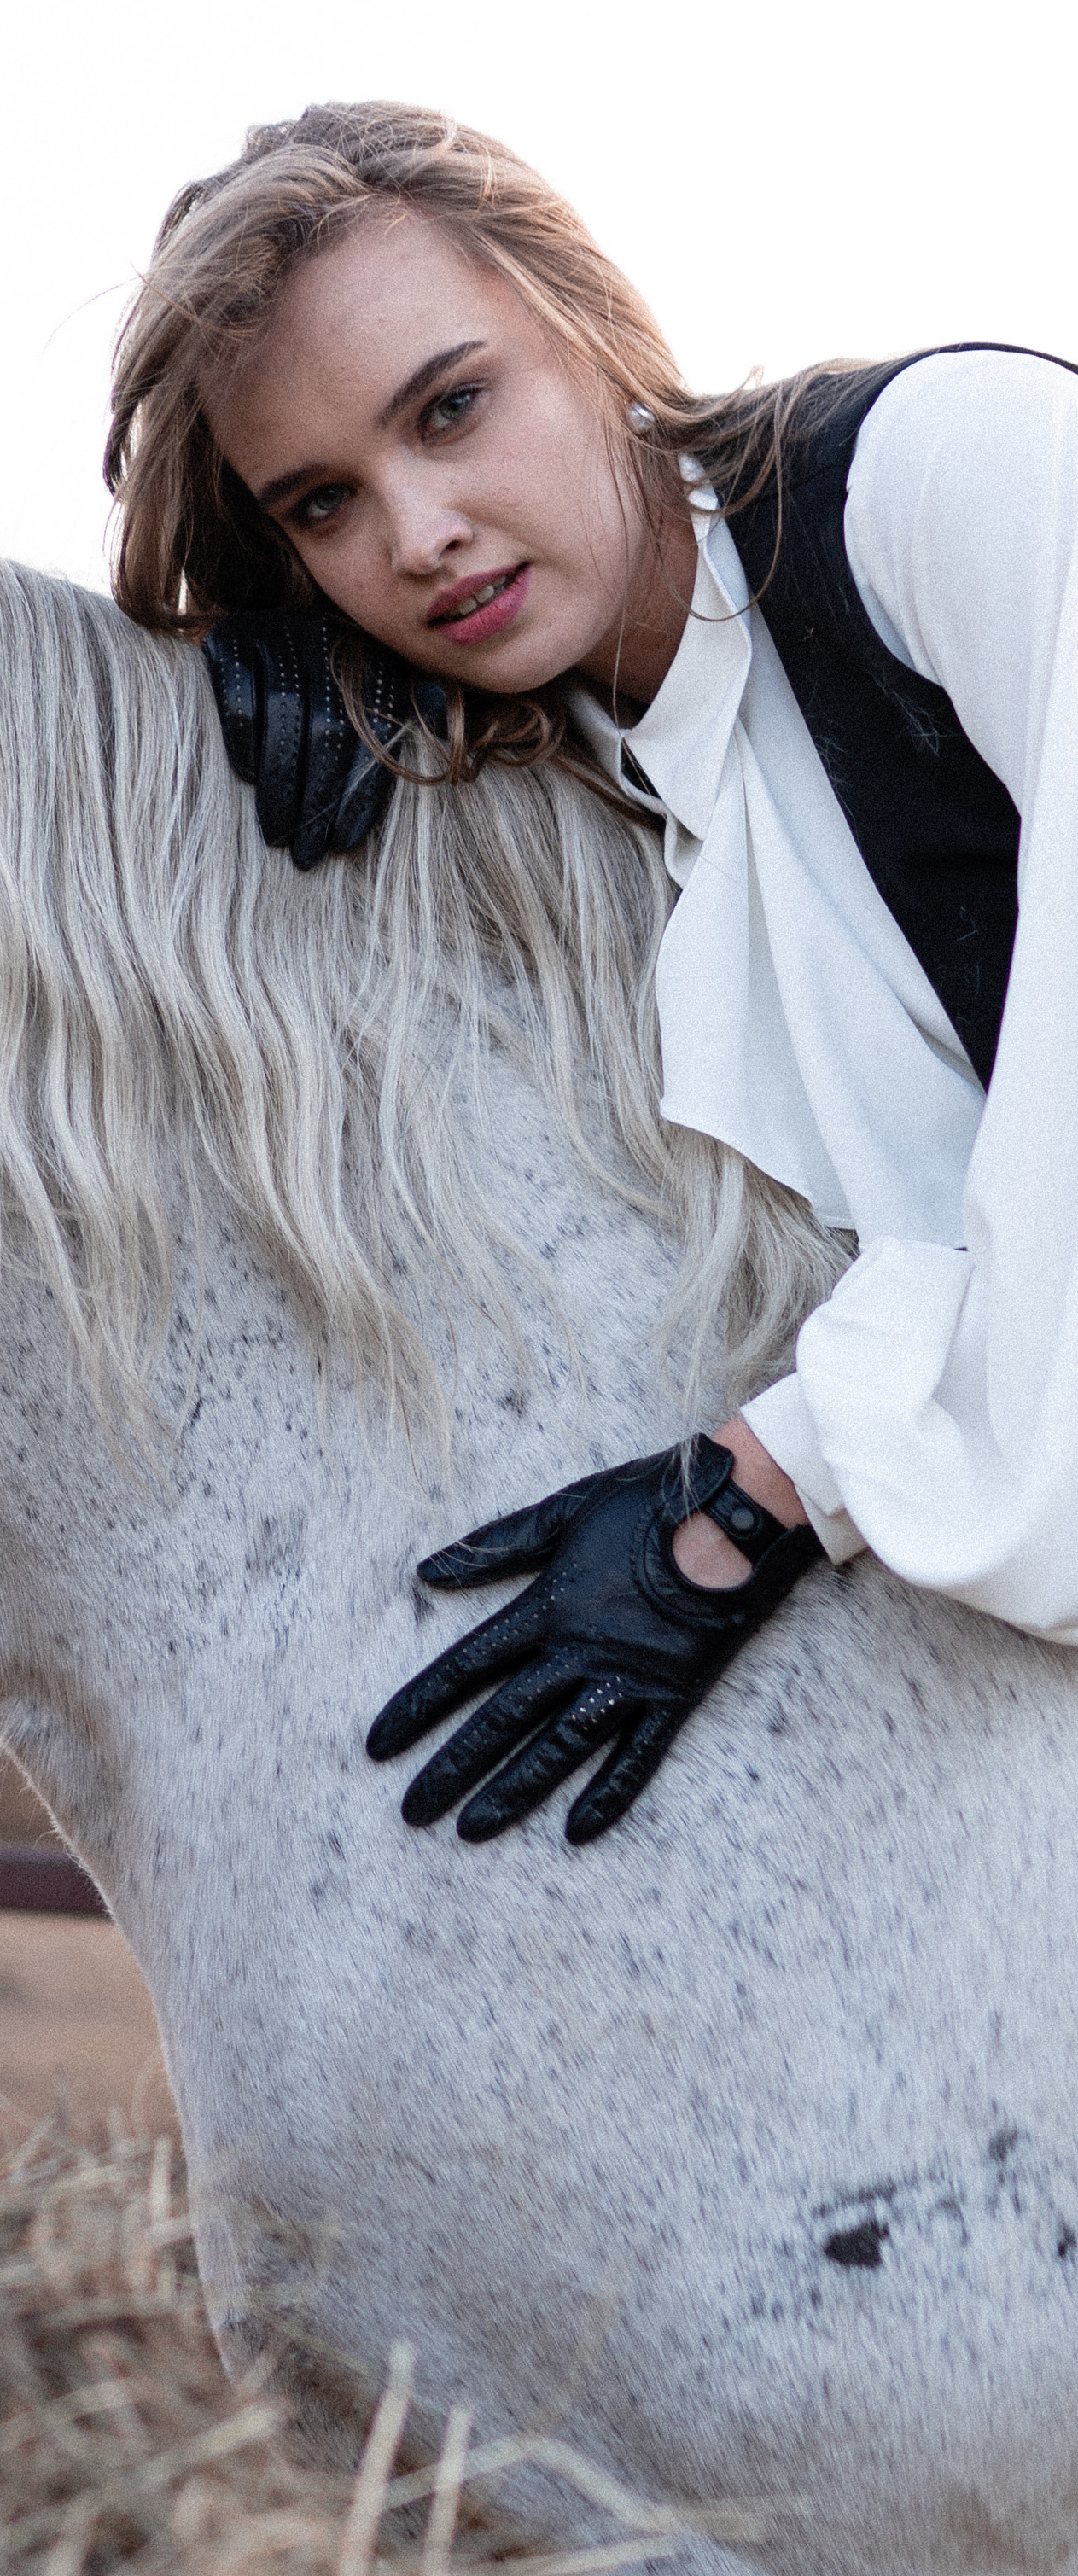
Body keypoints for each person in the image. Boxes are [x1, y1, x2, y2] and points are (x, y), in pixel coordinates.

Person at [103, 100, 1078, 1843]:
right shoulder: (613, 767)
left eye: (451, 408)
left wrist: (759, 1489)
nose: (415, 534)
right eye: (323, 505)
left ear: (590, 326)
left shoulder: (960, 472)